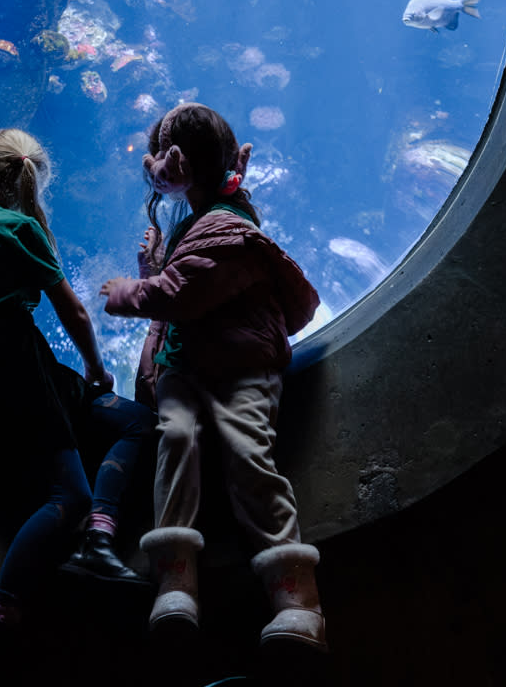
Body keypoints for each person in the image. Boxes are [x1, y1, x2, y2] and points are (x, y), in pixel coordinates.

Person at [98, 102, 328, 652]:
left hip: (241, 362)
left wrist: (131, 290)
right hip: (184, 363)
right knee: (175, 439)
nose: (152, 166)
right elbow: (187, 274)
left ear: (179, 164)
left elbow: (186, 290)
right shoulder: (207, 210)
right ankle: (176, 584)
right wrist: (155, 267)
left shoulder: (222, 223)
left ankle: (299, 603)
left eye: (160, 157)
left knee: (248, 451)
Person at [0, 129, 154, 659]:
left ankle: (99, 538)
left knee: (135, 422)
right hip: (25, 373)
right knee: (75, 492)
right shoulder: (19, 227)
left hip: (0, 374)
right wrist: (97, 369)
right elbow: (75, 312)